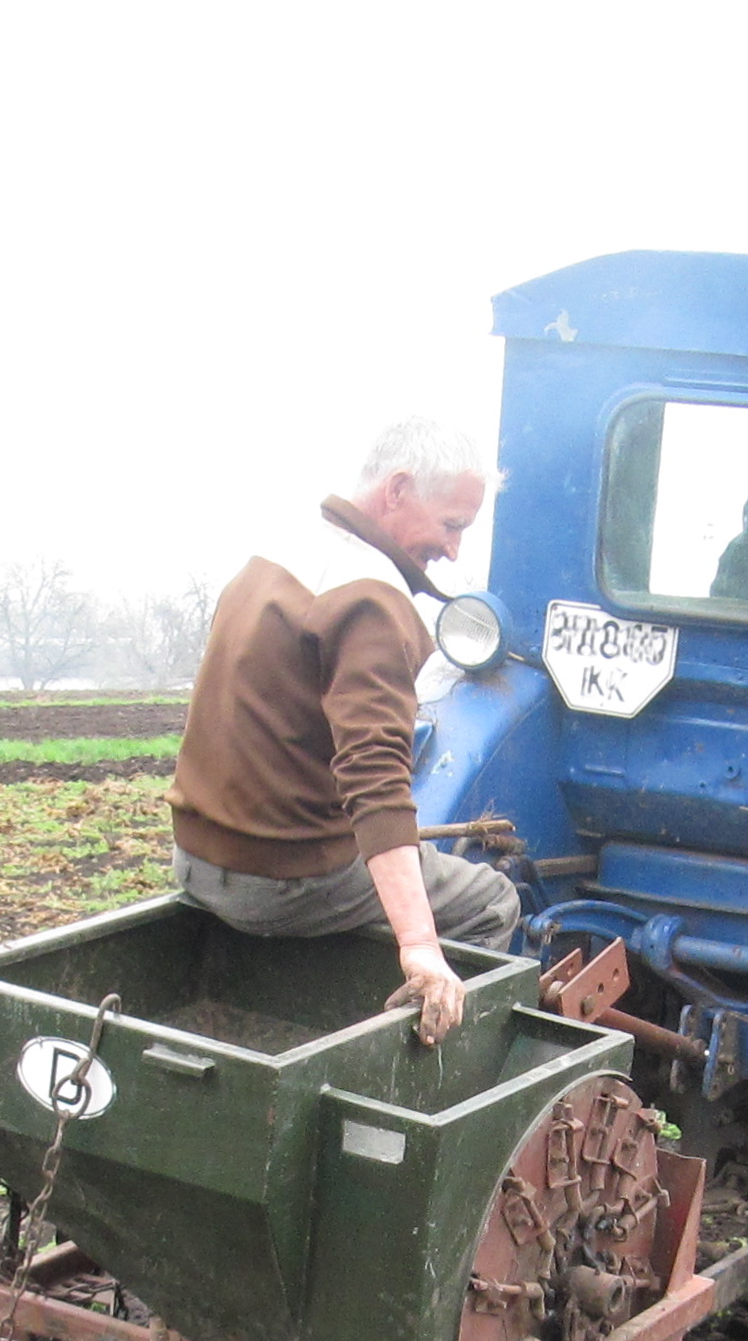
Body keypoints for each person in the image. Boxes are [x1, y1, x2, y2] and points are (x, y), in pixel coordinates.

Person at [166, 418, 522, 1045]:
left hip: (195, 861)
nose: (454, 550)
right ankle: (413, 1084)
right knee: (490, 898)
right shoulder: (373, 601)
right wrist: (418, 945)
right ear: (398, 490)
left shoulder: (274, 558)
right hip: (280, 880)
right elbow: (377, 777)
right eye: (451, 525)